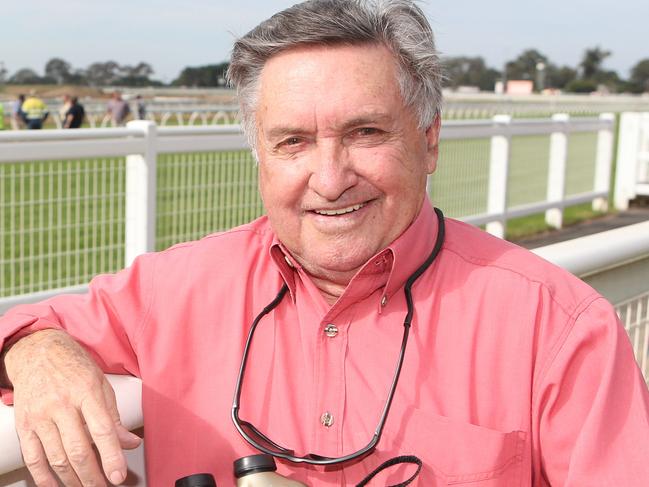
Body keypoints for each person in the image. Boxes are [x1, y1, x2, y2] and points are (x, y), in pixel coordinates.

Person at [1, 1, 649, 486]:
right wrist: (40, 355)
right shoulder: (179, 288)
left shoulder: (557, 327)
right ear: (259, 155)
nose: (331, 178)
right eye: (294, 142)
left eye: (365, 132)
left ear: (427, 140)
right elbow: (22, 325)